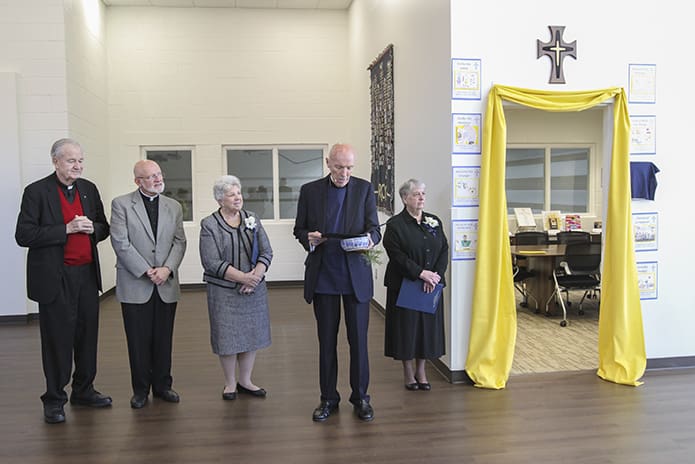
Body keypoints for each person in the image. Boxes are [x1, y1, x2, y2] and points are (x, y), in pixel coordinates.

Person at [15, 138, 112, 424]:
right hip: (54, 279)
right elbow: (24, 235)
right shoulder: (36, 192)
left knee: (86, 337)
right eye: (71, 160)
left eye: (80, 160)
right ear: (55, 161)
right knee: (57, 341)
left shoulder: (88, 189)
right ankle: (55, 399)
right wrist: (66, 229)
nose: (78, 165)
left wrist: (91, 227)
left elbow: (103, 227)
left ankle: (83, 390)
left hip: (85, 276)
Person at [293, 143, 381, 422]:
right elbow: (299, 228)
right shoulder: (310, 191)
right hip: (324, 275)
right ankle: (328, 398)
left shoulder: (364, 189)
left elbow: (375, 230)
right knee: (326, 342)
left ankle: (361, 398)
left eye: (349, 167)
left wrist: (370, 240)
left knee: (359, 342)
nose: (345, 173)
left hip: (355, 275)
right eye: (339, 166)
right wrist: (309, 236)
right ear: (328, 162)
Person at [110, 160, 187, 409]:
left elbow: (179, 242)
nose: (157, 179)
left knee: (164, 338)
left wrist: (166, 269)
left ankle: (163, 386)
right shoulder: (121, 204)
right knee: (138, 339)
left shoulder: (173, 206)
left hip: (166, 282)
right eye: (150, 176)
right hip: (135, 282)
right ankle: (141, 390)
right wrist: (146, 270)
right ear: (138, 181)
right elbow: (121, 243)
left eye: (158, 174)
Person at [199, 175, 272, 401]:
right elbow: (211, 261)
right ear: (220, 199)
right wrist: (243, 278)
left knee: (251, 335)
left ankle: (246, 380)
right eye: (232, 194)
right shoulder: (209, 224)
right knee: (228, 338)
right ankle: (230, 383)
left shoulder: (253, 219)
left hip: (254, 289)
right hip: (224, 292)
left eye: (239, 193)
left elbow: (266, 252)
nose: (237, 198)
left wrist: (255, 278)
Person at [382, 179, 448, 391]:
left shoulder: (434, 221)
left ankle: (422, 371)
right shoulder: (395, 225)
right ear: (404, 198)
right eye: (416, 194)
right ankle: (409, 373)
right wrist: (421, 274)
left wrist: (435, 276)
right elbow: (396, 256)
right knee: (407, 330)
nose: (421, 198)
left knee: (426, 330)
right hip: (406, 284)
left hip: (431, 285)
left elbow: (443, 249)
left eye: (423, 194)